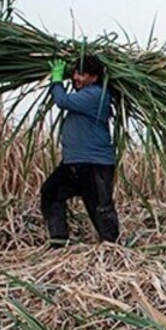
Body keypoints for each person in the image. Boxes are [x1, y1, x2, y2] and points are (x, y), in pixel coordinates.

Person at [40, 54, 120, 246]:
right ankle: (59, 241)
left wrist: (56, 80)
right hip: (73, 163)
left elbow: (62, 101)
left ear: (94, 77)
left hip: (95, 165)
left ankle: (112, 248)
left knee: (100, 209)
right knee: (50, 193)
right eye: (75, 72)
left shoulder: (97, 95)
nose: (76, 77)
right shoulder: (85, 94)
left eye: (82, 74)